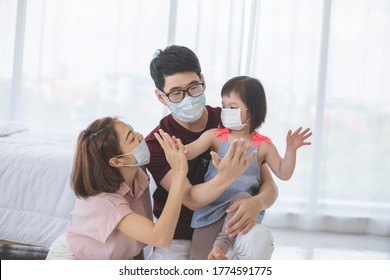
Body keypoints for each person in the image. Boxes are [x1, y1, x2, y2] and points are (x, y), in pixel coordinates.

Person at [145, 45, 278, 260]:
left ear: (203, 82)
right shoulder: (158, 143)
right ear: (161, 97)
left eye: (194, 87)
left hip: (229, 228)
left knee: (258, 240)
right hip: (179, 237)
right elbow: (190, 199)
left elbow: (269, 184)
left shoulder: (230, 120)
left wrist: (259, 202)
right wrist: (226, 177)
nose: (188, 97)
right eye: (177, 93)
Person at [184, 75, 312, 259]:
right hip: (210, 208)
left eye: (233, 107)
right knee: (198, 258)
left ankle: (222, 243)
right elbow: (190, 150)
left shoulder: (263, 146)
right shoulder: (215, 136)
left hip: (241, 211)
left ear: (252, 111)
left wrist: (291, 150)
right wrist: (177, 148)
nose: (226, 111)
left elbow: (284, 173)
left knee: (243, 197)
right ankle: (219, 249)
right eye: (224, 105)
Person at [46, 116, 188, 260]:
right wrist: (179, 174)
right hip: (74, 258)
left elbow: (136, 240)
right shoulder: (105, 201)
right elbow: (160, 238)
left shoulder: (138, 174)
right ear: (116, 161)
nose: (139, 136)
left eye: (133, 130)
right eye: (131, 139)